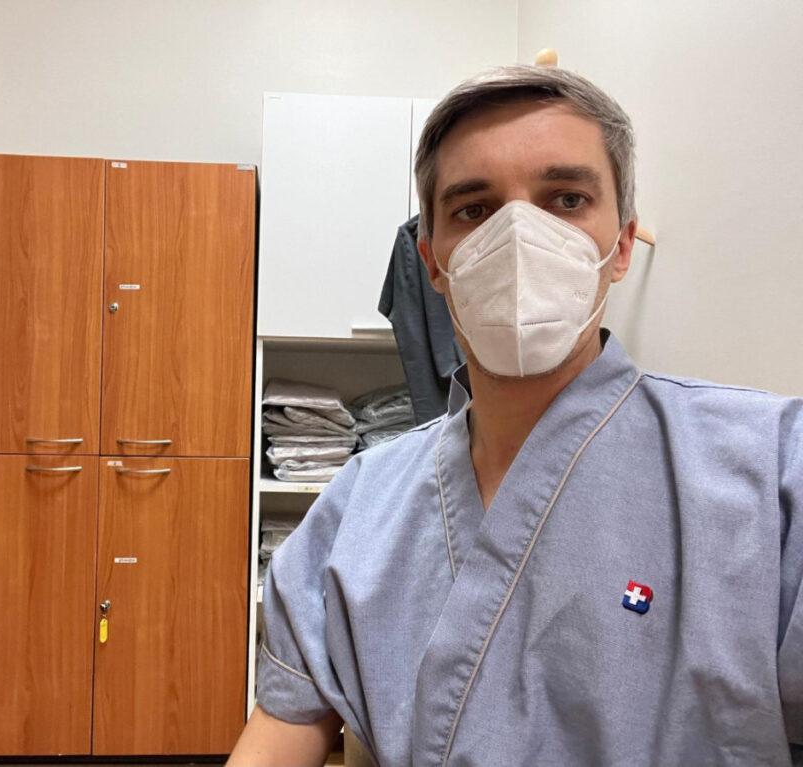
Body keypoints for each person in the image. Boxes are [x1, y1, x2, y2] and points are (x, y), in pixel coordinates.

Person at [227, 65, 803, 766]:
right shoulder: (359, 504)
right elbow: (281, 731)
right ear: (432, 262)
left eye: (566, 199)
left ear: (621, 245)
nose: (519, 237)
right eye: (474, 210)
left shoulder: (773, 471)